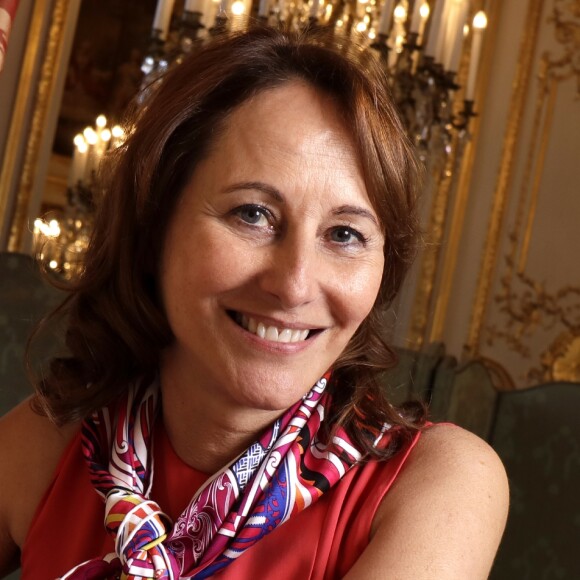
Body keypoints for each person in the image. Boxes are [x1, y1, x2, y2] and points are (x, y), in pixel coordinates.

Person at [0, 26, 508, 579]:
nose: (294, 285)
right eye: (252, 214)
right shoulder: (46, 444)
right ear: (152, 229)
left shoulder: (442, 483)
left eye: (344, 235)